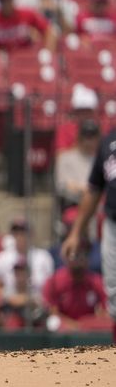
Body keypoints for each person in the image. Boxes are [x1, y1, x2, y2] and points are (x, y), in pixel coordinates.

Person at [61, 124, 116, 344]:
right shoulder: (108, 141)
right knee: (113, 290)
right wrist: (76, 233)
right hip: (113, 224)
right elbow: (94, 190)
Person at [44, 242, 109, 329]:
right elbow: (53, 312)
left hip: (87, 327)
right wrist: (74, 326)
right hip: (64, 326)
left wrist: (84, 324)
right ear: (66, 257)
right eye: (75, 255)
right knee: (53, 322)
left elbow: (106, 311)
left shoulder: (96, 281)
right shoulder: (54, 281)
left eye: (83, 254)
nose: (79, 259)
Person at [0, 218, 54, 300]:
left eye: (23, 233)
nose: (20, 236)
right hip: (9, 305)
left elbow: (50, 287)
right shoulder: (1, 259)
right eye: (16, 233)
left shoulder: (43, 257)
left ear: (31, 234)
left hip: (37, 305)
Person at [55, 119, 100, 209]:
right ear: (79, 137)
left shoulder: (99, 160)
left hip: (97, 207)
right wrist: (85, 190)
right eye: (86, 137)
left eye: (92, 137)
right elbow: (62, 186)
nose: (89, 141)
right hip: (73, 205)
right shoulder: (65, 158)